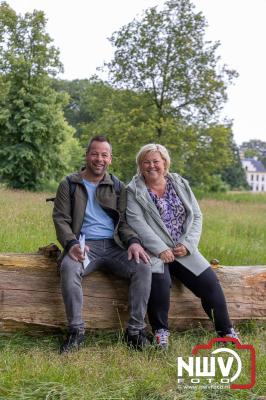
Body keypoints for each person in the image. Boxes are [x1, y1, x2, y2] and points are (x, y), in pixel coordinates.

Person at [126, 143, 239, 350]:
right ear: (140, 165)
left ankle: (226, 332)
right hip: (155, 251)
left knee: (210, 283)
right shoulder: (133, 190)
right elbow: (137, 223)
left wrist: (188, 245)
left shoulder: (179, 183)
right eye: (146, 162)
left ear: (165, 163)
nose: (151, 166)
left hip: (183, 249)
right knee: (159, 283)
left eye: (156, 161)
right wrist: (161, 248)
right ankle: (161, 332)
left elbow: (196, 215)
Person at [53, 136, 152, 353]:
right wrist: (71, 244)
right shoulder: (69, 184)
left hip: (115, 245)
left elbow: (125, 222)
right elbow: (61, 219)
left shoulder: (117, 186)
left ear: (110, 159)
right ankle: (76, 332)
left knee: (144, 265)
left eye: (104, 155)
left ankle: (135, 331)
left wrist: (134, 243)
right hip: (84, 246)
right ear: (87, 155)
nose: (99, 159)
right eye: (95, 154)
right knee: (69, 268)